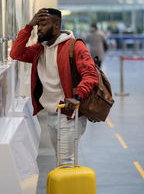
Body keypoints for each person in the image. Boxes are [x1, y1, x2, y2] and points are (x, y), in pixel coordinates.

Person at [10, 8, 98, 165]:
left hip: (69, 115)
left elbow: (90, 75)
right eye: (38, 25)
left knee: (65, 162)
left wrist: (78, 96)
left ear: (57, 25)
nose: (39, 28)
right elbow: (16, 53)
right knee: (61, 160)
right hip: (52, 114)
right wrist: (28, 26)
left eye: (43, 24)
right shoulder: (40, 49)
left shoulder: (74, 46)